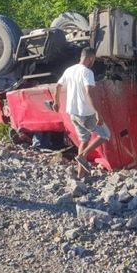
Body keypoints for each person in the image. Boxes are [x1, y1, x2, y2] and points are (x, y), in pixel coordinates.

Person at [53, 48, 110, 177]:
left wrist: (56, 102)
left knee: (84, 140)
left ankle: (80, 175)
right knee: (105, 135)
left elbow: (57, 86)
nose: (93, 62)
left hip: (73, 113)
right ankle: (82, 156)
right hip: (85, 113)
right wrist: (98, 113)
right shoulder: (87, 72)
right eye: (94, 59)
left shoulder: (69, 70)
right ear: (90, 58)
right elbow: (89, 92)